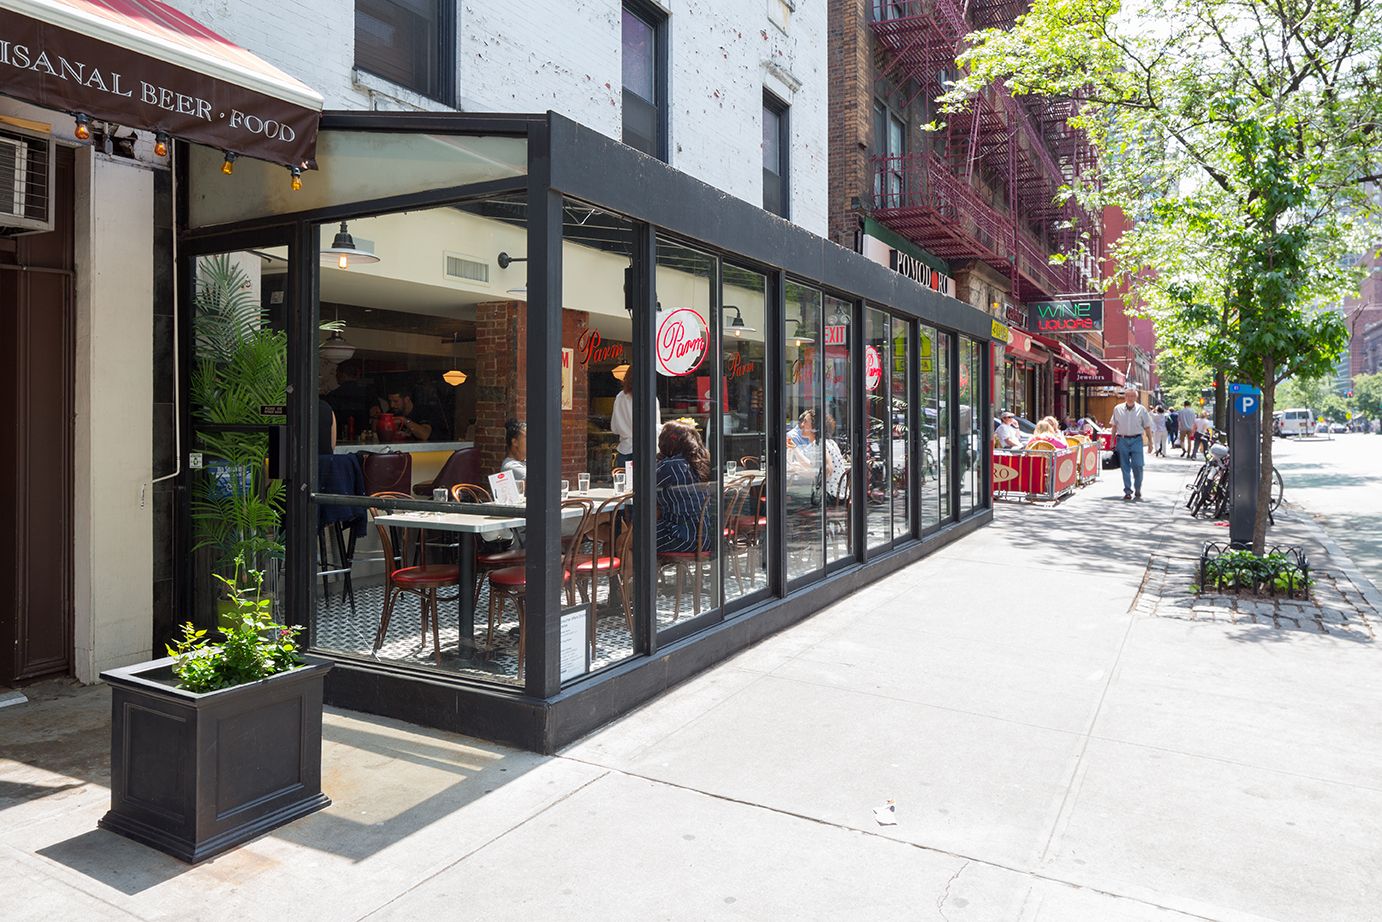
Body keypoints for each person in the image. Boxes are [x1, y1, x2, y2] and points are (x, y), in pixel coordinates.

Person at [655, 420, 711, 553]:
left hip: (684, 536)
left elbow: (641, 486)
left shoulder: (671, 466)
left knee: (625, 542)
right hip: (709, 535)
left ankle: (639, 574)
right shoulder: (700, 463)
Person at [1109, 386, 1153, 500]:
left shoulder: (1142, 409)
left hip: (1137, 440)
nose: (1130, 398)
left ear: (1136, 397)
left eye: (1133, 396)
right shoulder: (1117, 408)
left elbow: (1147, 427)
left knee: (1138, 465)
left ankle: (1137, 488)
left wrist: (1150, 443)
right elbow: (1114, 426)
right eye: (1128, 395)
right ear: (1125, 396)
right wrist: (1112, 440)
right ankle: (1127, 491)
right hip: (1122, 440)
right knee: (1125, 467)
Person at [610, 373, 661, 468]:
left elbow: (614, 428)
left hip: (626, 449)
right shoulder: (650, 397)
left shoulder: (620, 397)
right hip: (647, 450)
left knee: (625, 482)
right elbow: (655, 427)